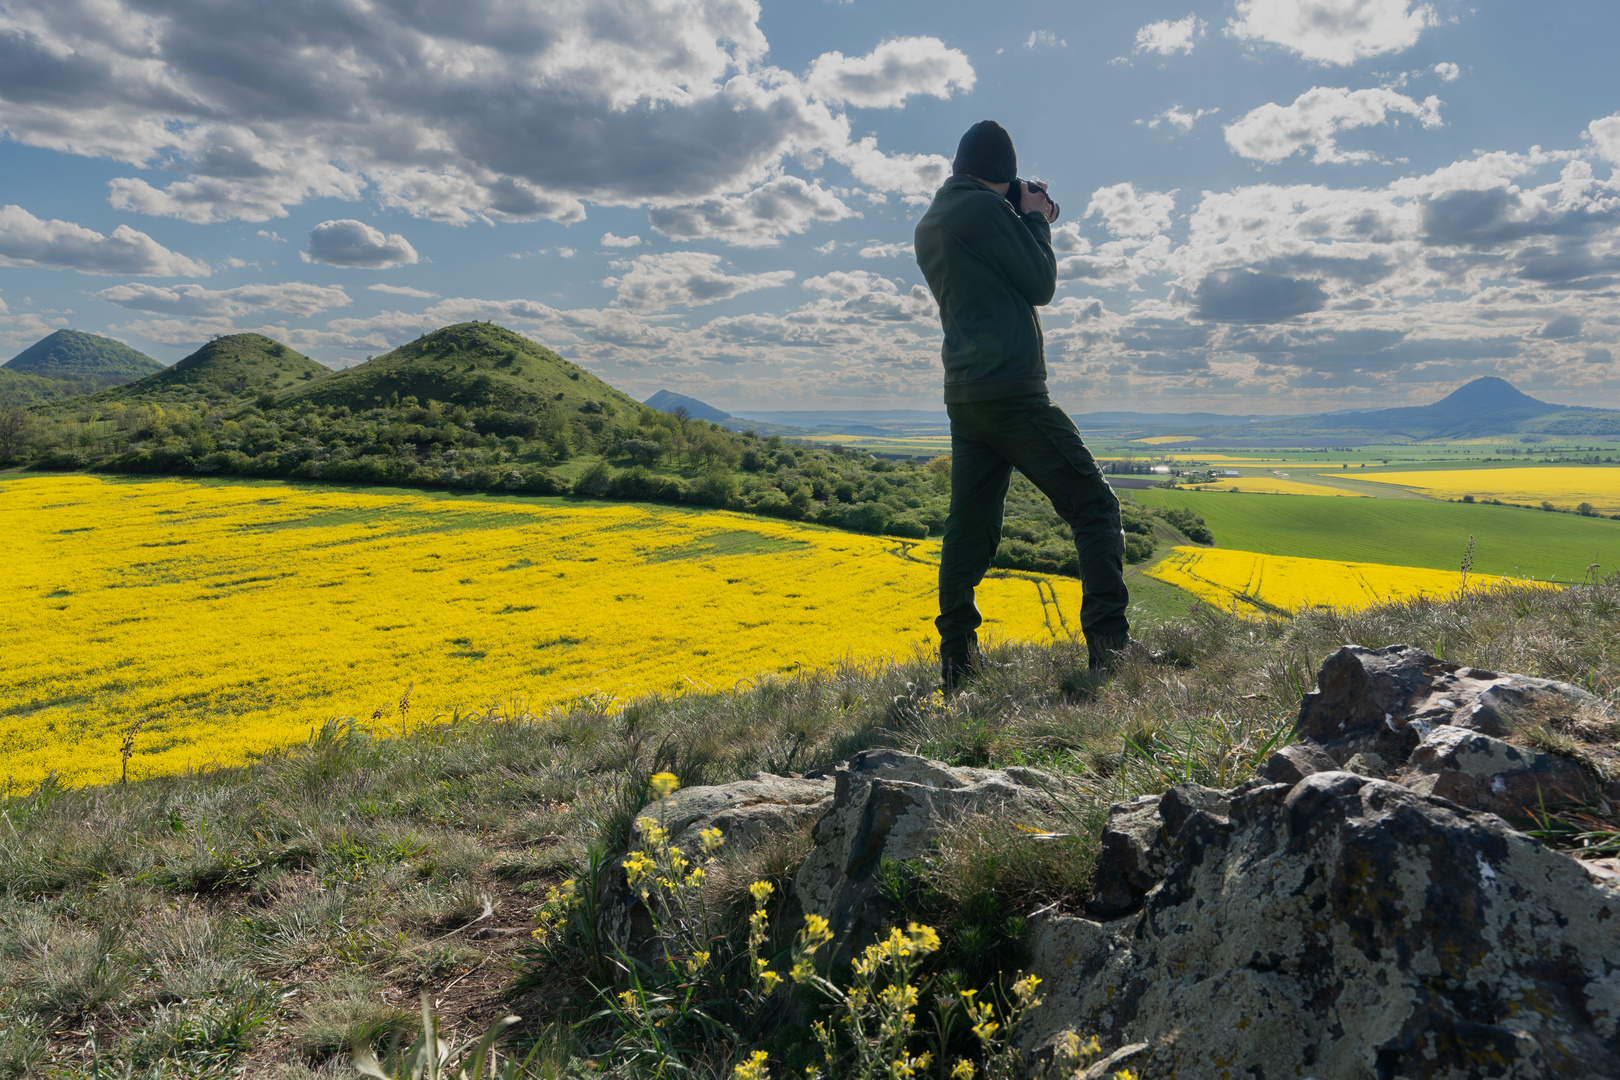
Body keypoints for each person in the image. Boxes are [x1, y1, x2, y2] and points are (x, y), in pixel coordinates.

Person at [914, 119, 1133, 689]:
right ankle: (1112, 652)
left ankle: (958, 662)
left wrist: (1013, 206)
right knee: (1095, 507)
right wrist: (1034, 217)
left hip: (965, 396)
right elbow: (1040, 285)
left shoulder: (933, 221)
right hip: (1012, 392)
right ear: (1005, 175)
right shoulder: (987, 213)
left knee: (970, 528)